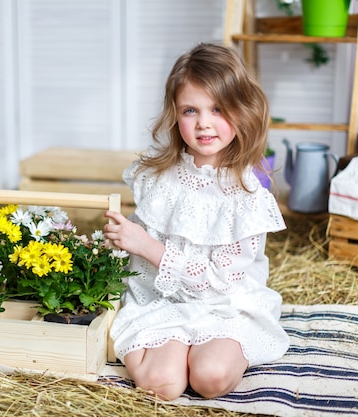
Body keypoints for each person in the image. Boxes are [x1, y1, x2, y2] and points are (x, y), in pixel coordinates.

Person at [103, 43, 290, 401]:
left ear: (242, 110)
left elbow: (219, 283)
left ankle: (203, 351)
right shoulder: (157, 178)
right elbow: (135, 240)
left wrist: (147, 246)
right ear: (175, 114)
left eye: (218, 109)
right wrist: (115, 239)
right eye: (191, 110)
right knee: (163, 385)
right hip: (163, 301)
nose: (204, 123)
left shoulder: (247, 197)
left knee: (210, 378)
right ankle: (175, 349)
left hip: (225, 305)